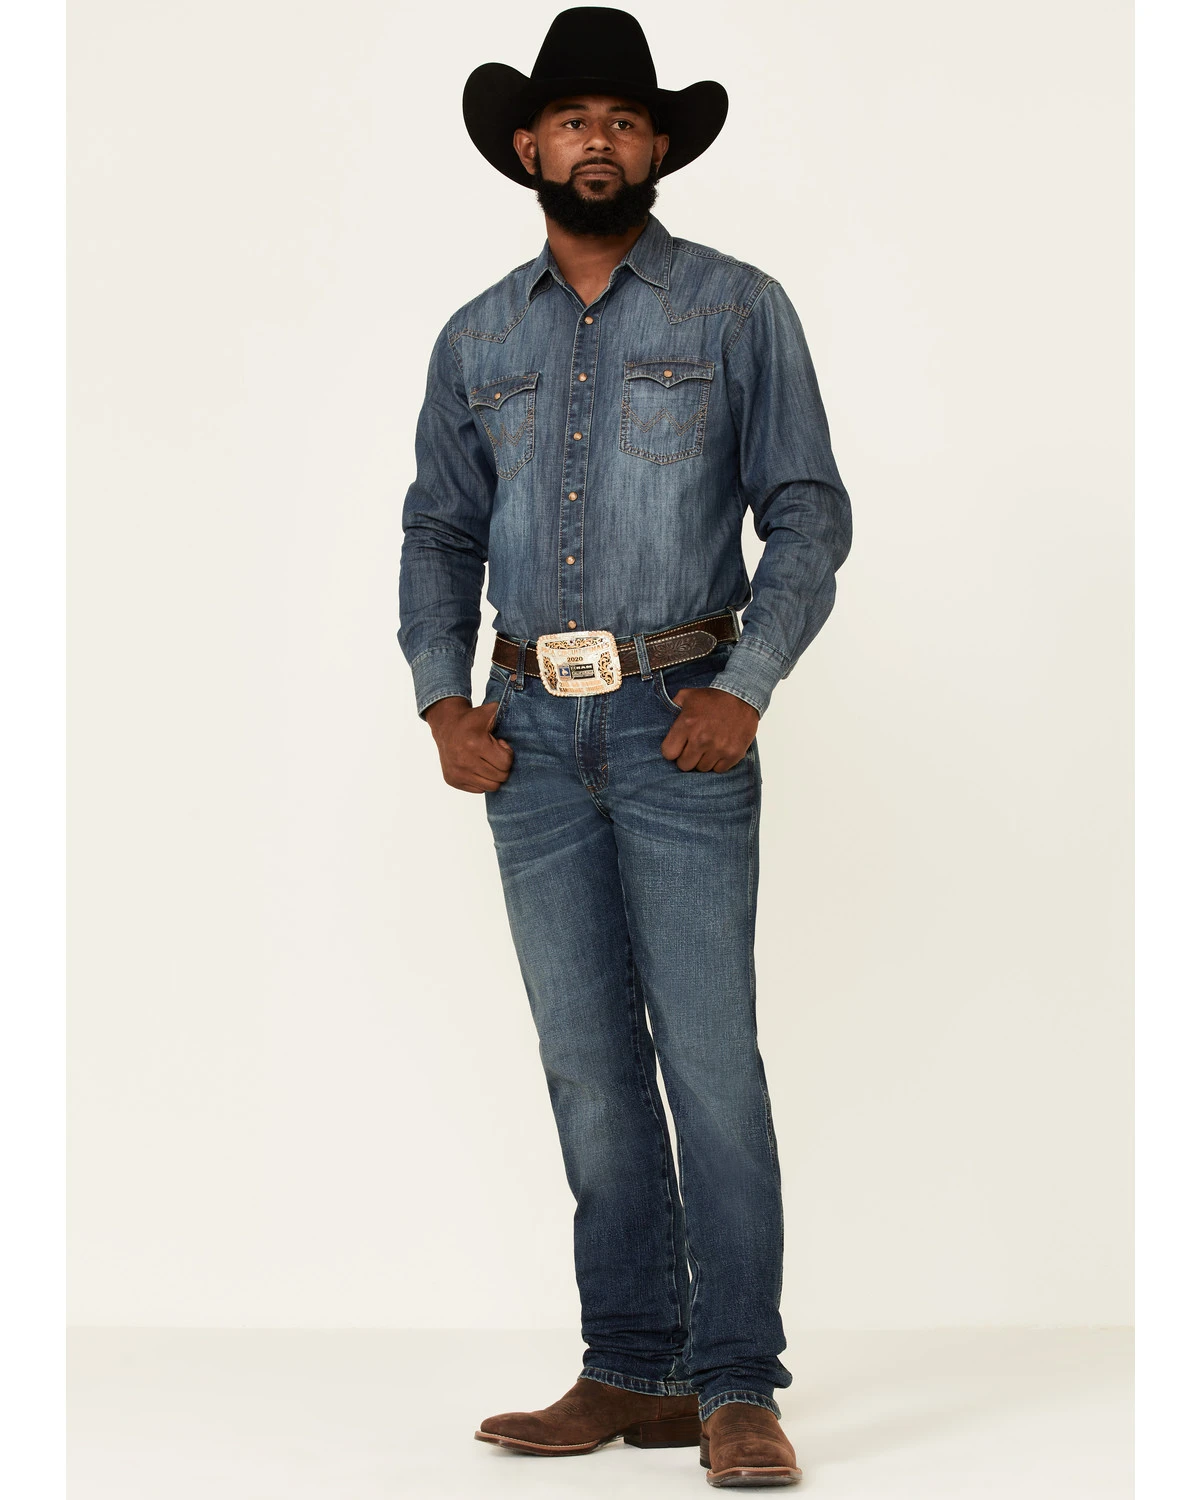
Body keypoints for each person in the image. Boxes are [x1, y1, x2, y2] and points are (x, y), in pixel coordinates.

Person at [397, 6, 851, 1487]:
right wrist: (442, 699)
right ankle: (631, 1368)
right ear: (528, 146)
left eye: (624, 120)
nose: (598, 138)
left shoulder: (736, 309)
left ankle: (737, 1385)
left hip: (680, 727)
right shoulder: (477, 336)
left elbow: (808, 511)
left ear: (657, 148)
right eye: (572, 119)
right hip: (526, 739)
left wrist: (749, 684)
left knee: (709, 1062)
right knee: (589, 1067)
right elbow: (438, 528)